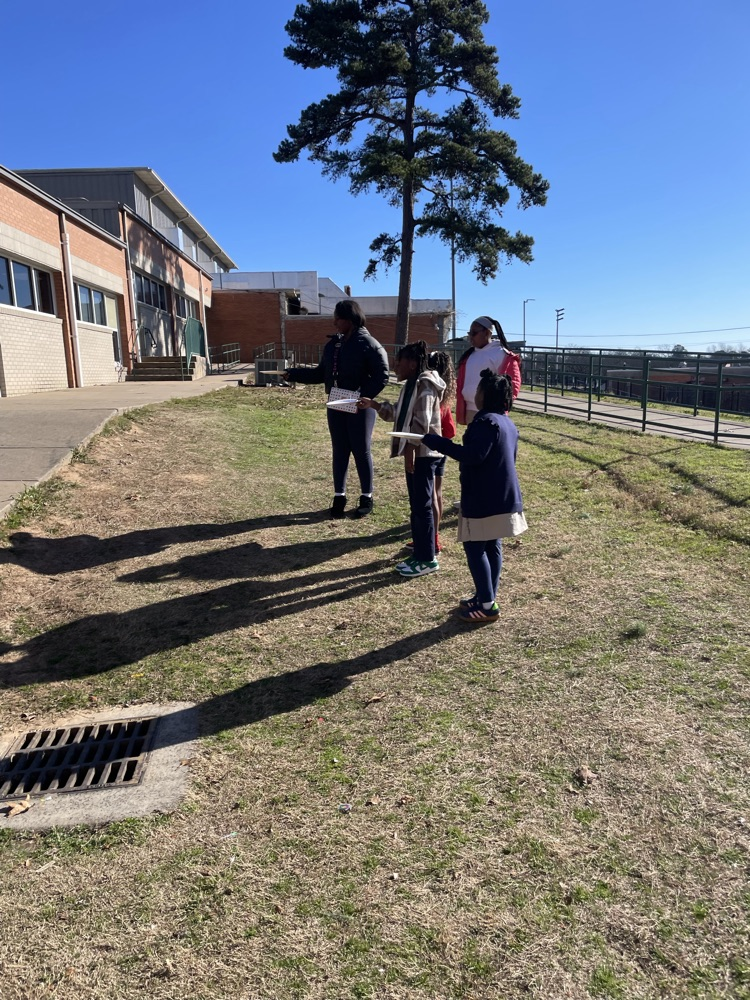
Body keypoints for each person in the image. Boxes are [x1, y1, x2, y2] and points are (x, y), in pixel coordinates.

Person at [423, 369, 528, 623]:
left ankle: (487, 605)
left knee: (475, 547)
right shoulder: (506, 422)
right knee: (492, 544)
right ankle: (486, 595)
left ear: (486, 395)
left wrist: (438, 443)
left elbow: (473, 455)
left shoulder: (485, 423)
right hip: (504, 495)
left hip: (484, 497)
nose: (475, 394)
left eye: (479, 390)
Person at [285, 300, 389, 518]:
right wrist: (292, 374)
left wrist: (364, 397)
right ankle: (339, 496)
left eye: (337, 318)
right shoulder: (334, 345)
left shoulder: (368, 343)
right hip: (336, 402)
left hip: (359, 405)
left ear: (349, 320)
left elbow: (382, 375)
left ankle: (366, 496)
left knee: (361, 450)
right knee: (340, 450)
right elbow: (320, 374)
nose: (334, 322)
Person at [358, 341, 445, 578]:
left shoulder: (425, 385)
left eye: (400, 361)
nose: (395, 365)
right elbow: (398, 414)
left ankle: (427, 558)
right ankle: (420, 551)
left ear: (413, 363)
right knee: (417, 506)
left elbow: (421, 425)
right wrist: (374, 405)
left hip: (424, 456)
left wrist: (410, 453)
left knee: (422, 506)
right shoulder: (410, 386)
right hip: (417, 455)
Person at [455, 316, 521, 425]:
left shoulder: (501, 354)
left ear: (487, 333)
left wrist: (498, 405)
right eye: (469, 333)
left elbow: (512, 384)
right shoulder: (469, 355)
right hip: (470, 410)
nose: (471, 337)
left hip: (490, 413)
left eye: (474, 333)